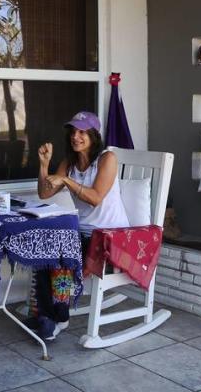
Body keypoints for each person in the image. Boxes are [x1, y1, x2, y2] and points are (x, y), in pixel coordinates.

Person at [30, 110, 130, 340]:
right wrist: (44, 165)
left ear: (94, 135)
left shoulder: (107, 159)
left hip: (108, 236)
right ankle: (52, 316)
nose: (76, 136)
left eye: (83, 132)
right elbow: (45, 193)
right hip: (82, 233)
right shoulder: (70, 162)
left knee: (61, 256)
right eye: (73, 132)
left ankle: (56, 316)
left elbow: (95, 198)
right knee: (44, 251)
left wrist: (65, 179)